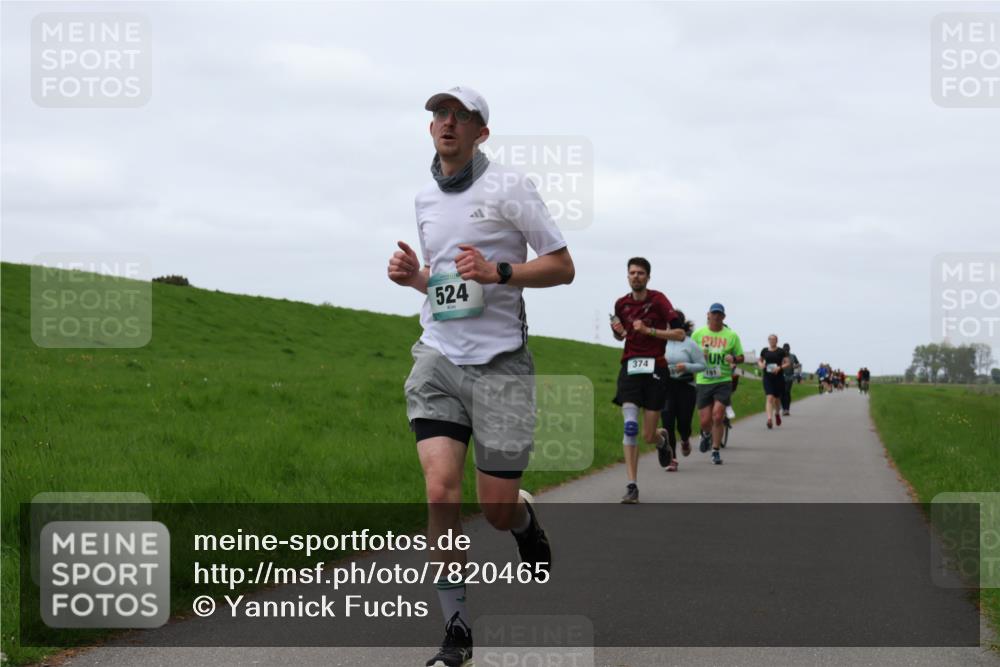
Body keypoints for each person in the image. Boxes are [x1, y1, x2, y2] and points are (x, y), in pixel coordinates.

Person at [388, 85, 575, 667]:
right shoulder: (424, 199)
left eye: (461, 116)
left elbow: (562, 266)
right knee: (440, 490)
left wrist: (500, 272)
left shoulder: (510, 187)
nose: (447, 122)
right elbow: (447, 286)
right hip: (439, 358)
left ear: (481, 132)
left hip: (501, 367)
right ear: (431, 128)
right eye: (439, 114)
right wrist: (415, 278)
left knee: (494, 509)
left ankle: (522, 520)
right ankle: (457, 631)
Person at [611, 257, 684, 502]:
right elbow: (621, 336)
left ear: (648, 277)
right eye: (632, 273)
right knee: (630, 426)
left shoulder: (659, 300)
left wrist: (650, 331)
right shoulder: (621, 304)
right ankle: (632, 485)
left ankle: (661, 440)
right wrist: (618, 332)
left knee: (648, 435)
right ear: (627, 276)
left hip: (656, 369)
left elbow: (679, 333)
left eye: (640, 273)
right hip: (630, 367)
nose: (636, 277)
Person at [692, 303, 744, 465]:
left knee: (718, 415)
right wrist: (698, 358)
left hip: (723, 380)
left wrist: (733, 358)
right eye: (713, 313)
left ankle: (715, 450)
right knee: (705, 421)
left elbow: (741, 356)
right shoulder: (698, 334)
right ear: (708, 315)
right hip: (703, 380)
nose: (716, 316)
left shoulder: (731, 336)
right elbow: (689, 353)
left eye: (719, 314)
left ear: (724, 317)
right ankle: (706, 434)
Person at [660, 311, 706, 471]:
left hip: (686, 387)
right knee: (667, 422)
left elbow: (702, 365)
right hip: (666, 386)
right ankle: (672, 458)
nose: (668, 327)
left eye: (671, 324)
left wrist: (686, 366)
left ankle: (685, 439)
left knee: (683, 423)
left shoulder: (690, 343)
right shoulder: (660, 342)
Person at [758, 334, 790, 429]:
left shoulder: (781, 351)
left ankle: (777, 413)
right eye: (770, 339)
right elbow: (760, 360)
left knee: (777, 399)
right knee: (769, 397)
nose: (772, 341)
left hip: (778, 378)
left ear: (776, 341)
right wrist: (761, 364)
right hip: (767, 377)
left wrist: (779, 367)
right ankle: (769, 419)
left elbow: (787, 363)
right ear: (768, 340)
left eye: (773, 339)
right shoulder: (764, 350)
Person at [780, 342, 800, 416]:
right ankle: (783, 408)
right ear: (783, 349)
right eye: (785, 349)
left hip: (790, 376)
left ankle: (787, 409)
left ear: (789, 349)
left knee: (787, 392)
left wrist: (794, 366)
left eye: (787, 349)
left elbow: (798, 363)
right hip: (781, 376)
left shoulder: (793, 356)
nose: (786, 351)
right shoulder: (780, 356)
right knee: (782, 393)